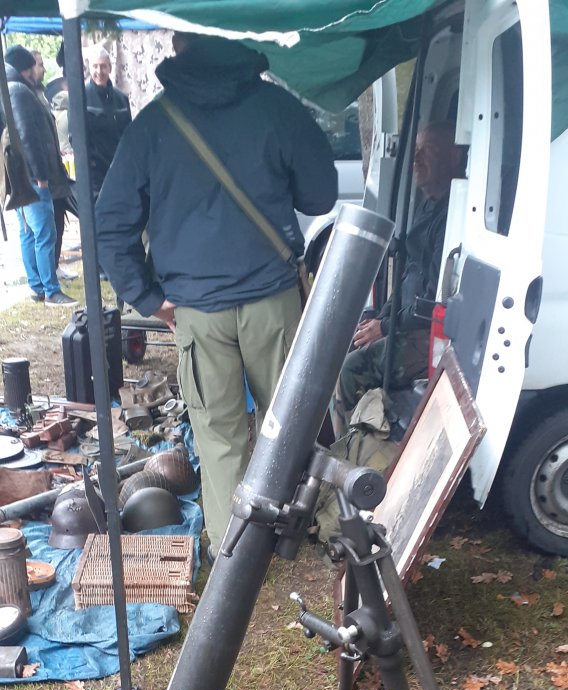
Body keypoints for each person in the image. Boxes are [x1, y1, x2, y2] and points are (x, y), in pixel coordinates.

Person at [96, 34, 337, 557]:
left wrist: (148, 298)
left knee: (219, 437)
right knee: (290, 422)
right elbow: (321, 195)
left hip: (197, 311)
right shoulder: (277, 108)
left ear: (178, 43)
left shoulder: (153, 125)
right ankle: (300, 528)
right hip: (273, 299)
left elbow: (110, 224)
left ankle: (235, 553)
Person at [333, 122, 465, 434]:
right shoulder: (427, 206)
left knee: (351, 369)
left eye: (427, 151)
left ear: (453, 157)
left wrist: (385, 327)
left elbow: (431, 300)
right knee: (340, 341)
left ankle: (357, 448)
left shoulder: (451, 217)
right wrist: (381, 317)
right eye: (415, 151)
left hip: (425, 332)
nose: (416, 159)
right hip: (404, 321)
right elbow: (407, 276)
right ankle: (359, 434)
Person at [4, 45, 74, 306]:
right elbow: (27, 136)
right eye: (36, 65)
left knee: (29, 232)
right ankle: (50, 290)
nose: (39, 70)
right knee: (44, 233)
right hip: (32, 179)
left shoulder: (11, 89)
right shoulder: (19, 91)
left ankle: (37, 287)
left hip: (22, 176)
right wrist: (40, 176)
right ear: (27, 68)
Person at [84, 45, 131, 200]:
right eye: (95, 66)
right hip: (95, 177)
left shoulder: (121, 99)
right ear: (89, 68)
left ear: (110, 68)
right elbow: (76, 138)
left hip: (119, 172)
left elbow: (128, 136)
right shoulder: (81, 98)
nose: (99, 71)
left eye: (103, 66)